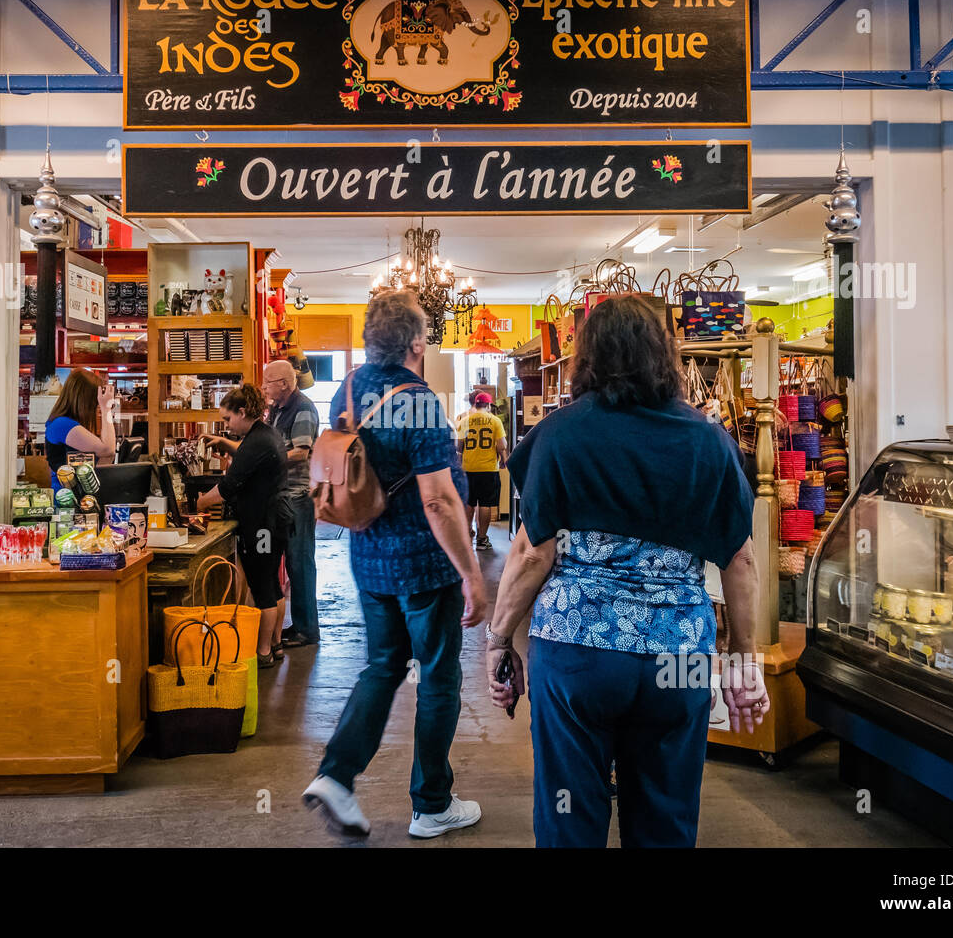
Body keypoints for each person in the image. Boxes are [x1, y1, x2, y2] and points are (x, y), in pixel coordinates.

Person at [482, 294, 769, 848]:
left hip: (578, 654)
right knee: (666, 812)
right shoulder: (708, 441)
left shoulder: (562, 435)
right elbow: (741, 557)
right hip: (677, 657)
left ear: (586, 357)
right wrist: (744, 660)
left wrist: (499, 640)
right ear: (666, 355)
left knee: (570, 814)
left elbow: (532, 553)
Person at [302, 289, 488, 841]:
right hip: (425, 566)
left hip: (368, 554)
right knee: (438, 677)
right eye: (426, 335)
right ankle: (432, 803)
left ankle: (337, 775)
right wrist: (472, 574)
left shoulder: (351, 386)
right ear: (414, 342)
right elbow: (439, 500)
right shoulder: (421, 401)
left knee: (383, 666)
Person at [196, 384, 289, 669]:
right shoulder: (263, 434)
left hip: (262, 524)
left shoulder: (256, 442)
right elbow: (248, 457)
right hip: (275, 519)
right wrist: (226, 444)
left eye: (227, 419)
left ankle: (262, 652)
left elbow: (227, 487)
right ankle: (275, 644)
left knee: (262, 587)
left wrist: (199, 504)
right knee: (272, 585)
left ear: (242, 412)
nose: (226, 425)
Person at [263, 359, 321, 648]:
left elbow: (300, 451)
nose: (264, 387)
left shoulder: (303, 408)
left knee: (300, 565)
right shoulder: (278, 409)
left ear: (284, 383)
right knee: (295, 563)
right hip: (283, 496)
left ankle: (307, 630)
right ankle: (300, 625)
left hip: (297, 497)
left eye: (268, 382)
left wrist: (265, 461)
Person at [43, 368, 118, 488]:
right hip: (67, 499)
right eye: (94, 401)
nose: (96, 406)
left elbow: (105, 457)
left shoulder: (65, 423)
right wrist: (106, 409)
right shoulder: (62, 425)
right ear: (84, 399)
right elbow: (108, 450)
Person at [456, 391, 508, 549]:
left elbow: (459, 447)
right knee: (485, 504)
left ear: (476, 404)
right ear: (488, 405)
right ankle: (482, 539)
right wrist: (504, 461)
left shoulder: (464, 421)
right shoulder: (495, 421)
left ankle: (466, 535)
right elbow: (502, 446)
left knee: (469, 503)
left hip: (468, 468)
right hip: (488, 469)